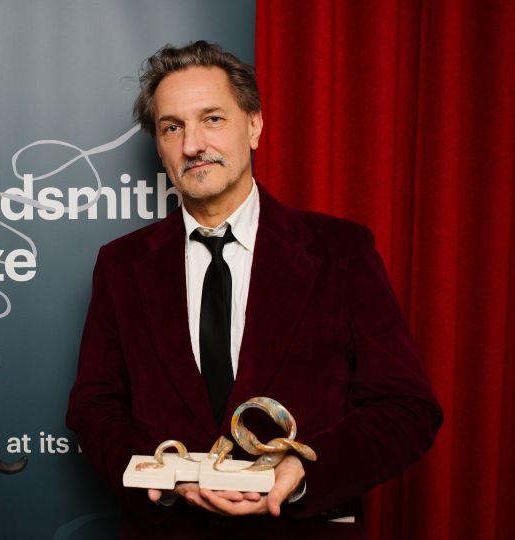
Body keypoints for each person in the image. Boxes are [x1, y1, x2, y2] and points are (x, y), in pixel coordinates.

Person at [66, 41, 442, 539]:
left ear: (255, 125)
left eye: (213, 119)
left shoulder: (339, 251)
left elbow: (406, 408)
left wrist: (306, 472)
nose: (193, 144)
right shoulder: (121, 264)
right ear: (159, 146)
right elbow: (93, 407)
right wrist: (169, 478)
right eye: (172, 127)